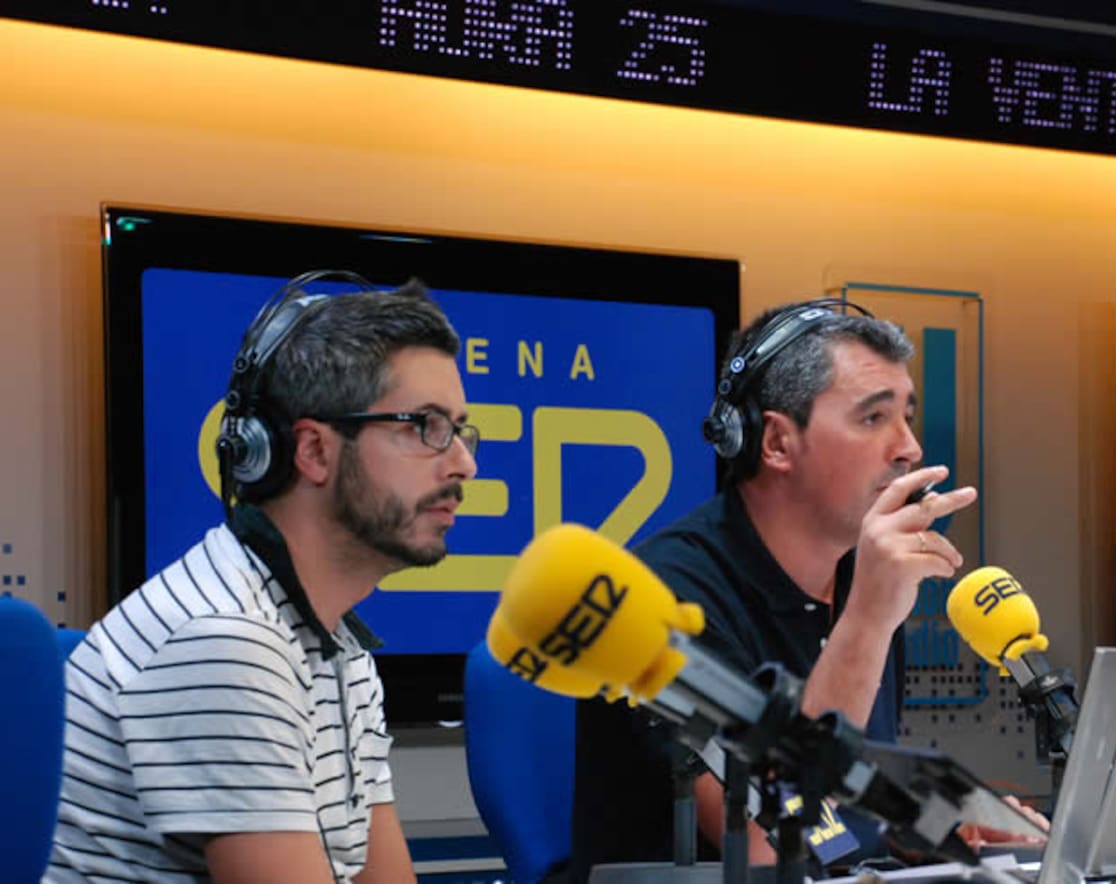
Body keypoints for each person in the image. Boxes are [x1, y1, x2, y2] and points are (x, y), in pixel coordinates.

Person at [46, 274, 479, 883]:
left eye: (459, 429)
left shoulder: (341, 651)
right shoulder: (223, 639)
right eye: (424, 426)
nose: (465, 462)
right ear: (314, 451)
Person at [571, 300, 979, 880]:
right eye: (873, 417)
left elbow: (852, 800)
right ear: (777, 443)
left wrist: (940, 832)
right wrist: (867, 622)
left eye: (906, 417)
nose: (909, 447)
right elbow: (769, 840)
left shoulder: (860, 581)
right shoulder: (660, 599)